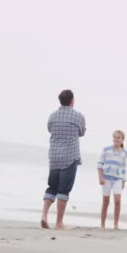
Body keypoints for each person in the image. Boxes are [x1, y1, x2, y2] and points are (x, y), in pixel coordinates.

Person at [40, 89, 86, 230]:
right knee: (63, 191)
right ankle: (59, 223)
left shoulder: (53, 116)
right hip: (69, 157)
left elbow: (50, 129)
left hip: (54, 157)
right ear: (72, 101)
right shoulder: (78, 116)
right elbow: (82, 132)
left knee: (51, 187)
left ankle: (44, 215)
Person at [97, 130, 127, 230]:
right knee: (105, 202)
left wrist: (123, 180)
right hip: (106, 179)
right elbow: (99, 164)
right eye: (114, 137)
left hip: (118, 179)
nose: (116, 139)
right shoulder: (106, 150)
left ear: (122, 140)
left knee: (117, 201)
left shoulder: (124, 153)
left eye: (118, 137)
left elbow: (123, 167)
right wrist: (100, 177)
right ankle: (102, 224)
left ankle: (115, 224)